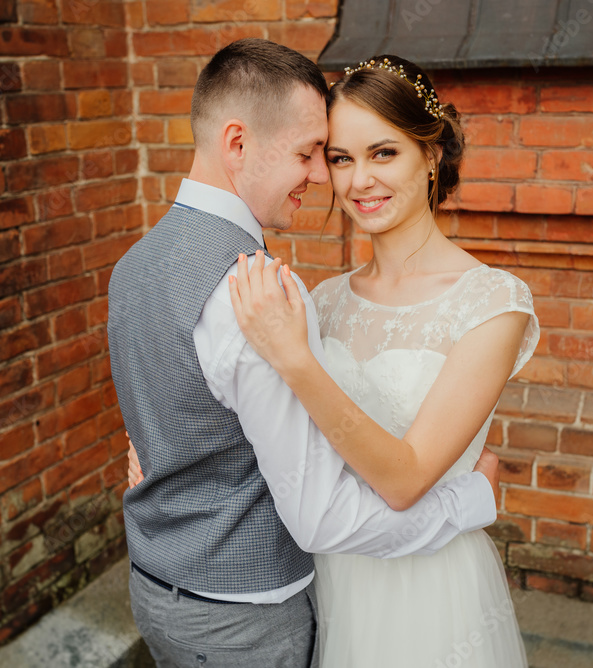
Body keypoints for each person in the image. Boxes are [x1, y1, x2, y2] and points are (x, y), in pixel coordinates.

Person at [131, 55, 539, 666]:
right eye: (340, 158)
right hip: (326, 575)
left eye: (383, 153)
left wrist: (298, 361)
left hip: (425, 584)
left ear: (430, 155)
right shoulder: (323, 300)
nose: (355, 181)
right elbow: (272, 438)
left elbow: (404, 478)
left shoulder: (492, 303)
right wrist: (167, 446)